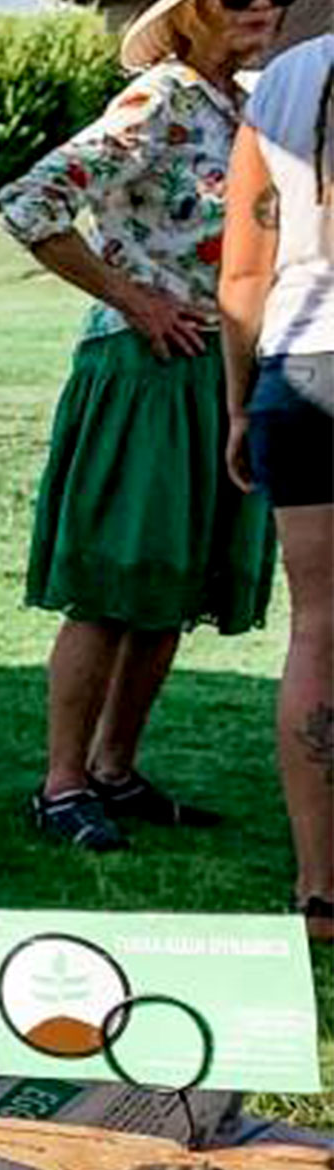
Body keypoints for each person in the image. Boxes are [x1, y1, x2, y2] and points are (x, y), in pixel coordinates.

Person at [0, 0, 284, 852]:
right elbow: (32, 202)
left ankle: (113, 769)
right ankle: (60, 785)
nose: (262, 6)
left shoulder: (241, 103)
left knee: (173, 582)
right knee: (113, 586)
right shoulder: (158, 96)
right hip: (144, 370)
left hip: (214, 370)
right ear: (190, 13)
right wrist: (135, 298)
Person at [221, 23, 334, 932]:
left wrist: (237, 402)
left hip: (301, 372)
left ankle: (319, 888)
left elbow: (245, 269)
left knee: (319, 631)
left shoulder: (285, 78)